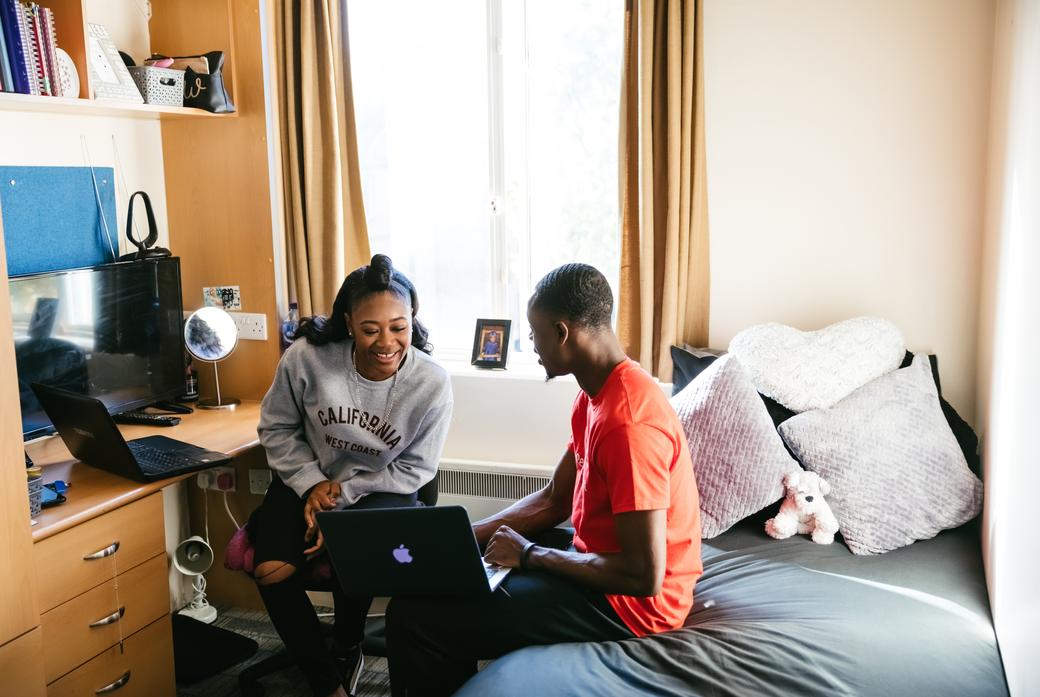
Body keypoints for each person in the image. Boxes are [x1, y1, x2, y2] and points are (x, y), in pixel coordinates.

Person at [386, 263, 702, 697]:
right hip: (598, 569)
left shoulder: (629, 423)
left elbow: (643, 574)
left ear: (561, 332)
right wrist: (462, 539)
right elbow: (556, 498)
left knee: (414, 617)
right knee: (447, 584)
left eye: (534, 334)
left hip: (633, 608)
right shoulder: (594, 396)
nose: (532, 346)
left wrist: (531, 555)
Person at [251, 254, 453, 697]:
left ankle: (347, 643)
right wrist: (311, 486)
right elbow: (276, 427)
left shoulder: (432, 383)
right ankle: (328, 683)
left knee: (355, 557)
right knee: (270, 571)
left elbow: (416, 468)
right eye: (370, 329)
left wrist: (340, 498)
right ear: (348, 322)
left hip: (381, 486)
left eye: (398, 327)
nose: (387, 342)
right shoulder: (307, 358)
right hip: (306, 479)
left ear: (412, 319)